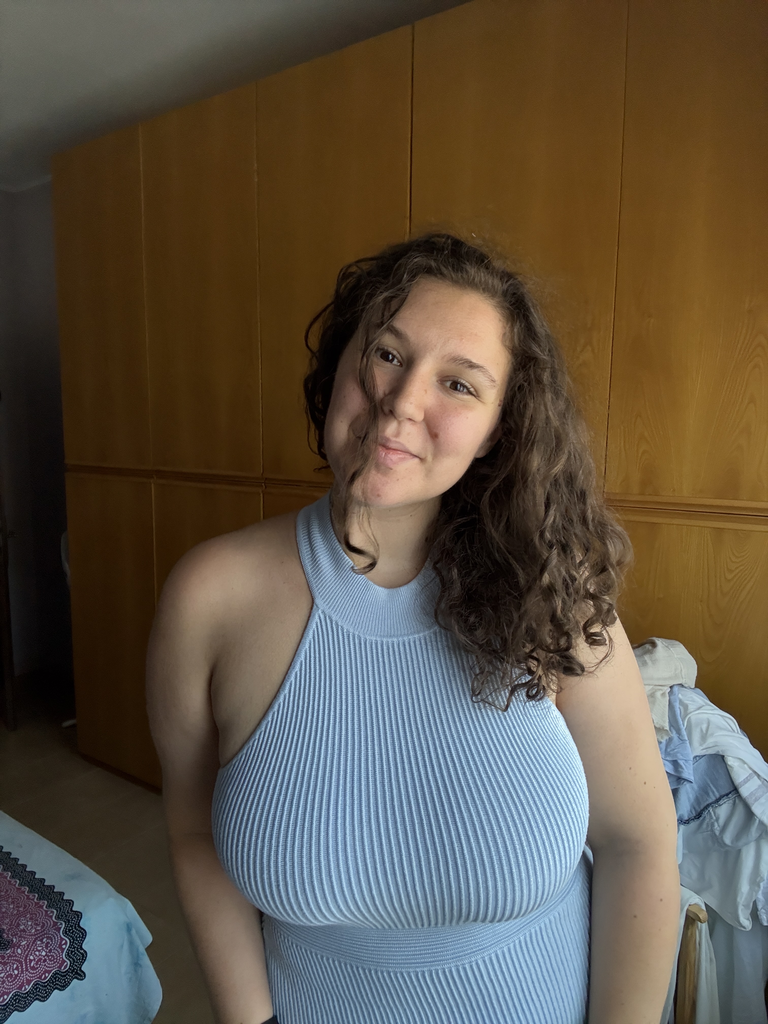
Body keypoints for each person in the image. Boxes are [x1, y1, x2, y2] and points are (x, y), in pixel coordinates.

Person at [146, 233, 680, 1024]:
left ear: (498, 429)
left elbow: (639, 845)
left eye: (458, 384)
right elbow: (194, 832)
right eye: (388, 354)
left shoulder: (556, 597)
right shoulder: (209, 598)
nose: (401, 402)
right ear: (339, 369)